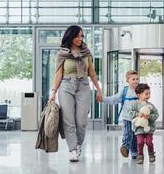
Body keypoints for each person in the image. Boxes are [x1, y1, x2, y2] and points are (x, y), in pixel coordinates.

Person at [48, 25, 103, 162]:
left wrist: (99, 90)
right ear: (70, 37)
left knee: (81, 121)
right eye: (77, 36)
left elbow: (92, 74)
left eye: (82, 36)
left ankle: (78, 145)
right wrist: (53, 92)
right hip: (66, 86)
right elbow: (58, 75)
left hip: (84, 86)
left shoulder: (86, 52)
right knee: (68, 120)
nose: (80, 38)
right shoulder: (62, 54)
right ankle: (72, 149)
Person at [102, 70, 140, 159]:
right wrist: (103, 99)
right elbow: (114, 99)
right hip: (127, 118)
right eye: (133, 79)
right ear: (128, 80)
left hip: (138, 118)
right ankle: (125, 146)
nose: (136, 81)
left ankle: (134, 152)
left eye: (137, 79)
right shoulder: (125, 91)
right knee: (128, 133)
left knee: (136, 135)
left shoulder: (140, 90)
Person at [127, 83, 159, 165]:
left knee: (149, 142)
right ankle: (140, 156)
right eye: (146, 94)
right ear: (139, 95)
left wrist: (150, 116)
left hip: (149, 128)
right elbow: (129, 113)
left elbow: (156, 114)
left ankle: (151, 154)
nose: (148, 96)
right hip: (139, 129)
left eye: (149, 94)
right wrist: (138, 114)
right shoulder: (135, 104)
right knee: (140, 142)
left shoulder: (151, 106)